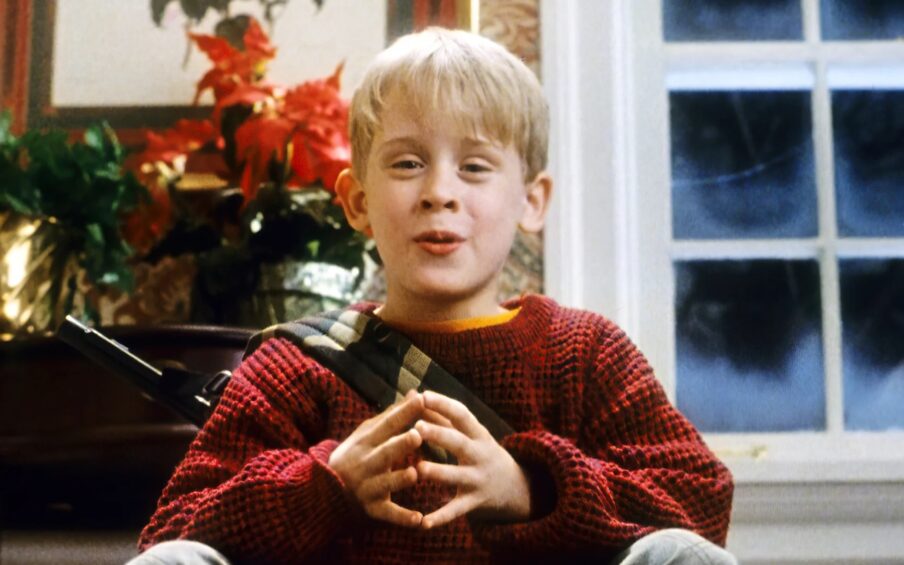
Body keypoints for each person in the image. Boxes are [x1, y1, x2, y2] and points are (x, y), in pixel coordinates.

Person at [131, 28, 737, 564]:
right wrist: (326, 485)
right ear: (358, 201)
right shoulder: (293, 368)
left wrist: (532, 487)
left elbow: (700, 501)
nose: (439, 192)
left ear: (532, 200)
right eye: (407, 164)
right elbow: (172, 530)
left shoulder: (586, 354)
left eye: (474, 167)